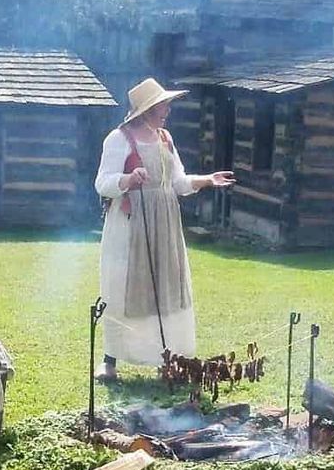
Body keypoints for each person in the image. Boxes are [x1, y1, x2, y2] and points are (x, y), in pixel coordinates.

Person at [94, 77, 235, 381]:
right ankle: (110, 360)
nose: (168, 110)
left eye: (167, 104)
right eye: (162, 105)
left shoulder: (165, 139)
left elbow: (178, 182)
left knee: (167, 287)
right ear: (145, 109)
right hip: (130, 226)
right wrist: (128, 179)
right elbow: (102, 183)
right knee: (123, 287)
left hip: (165, 224)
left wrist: (207, 179)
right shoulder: (119, 139)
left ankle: (168, 358)